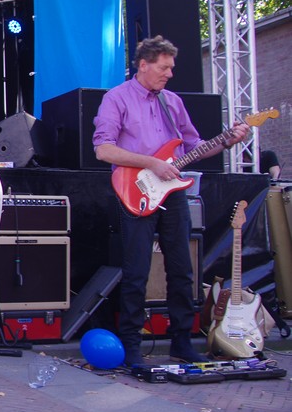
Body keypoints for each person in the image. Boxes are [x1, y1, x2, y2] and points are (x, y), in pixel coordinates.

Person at [93, 35, 250, 367]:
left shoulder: (173, 102)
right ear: (143, 65)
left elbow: (195, 146)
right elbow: (104, 150)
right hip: (135, 190)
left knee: (182, 269)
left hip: (173, 192)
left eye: (171, 67)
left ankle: (181, 341)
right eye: (164, 67)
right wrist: (152, 163)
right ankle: (132, 346)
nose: (169, 74)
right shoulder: (116, 98)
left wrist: (228, 141)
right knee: (137, 270)